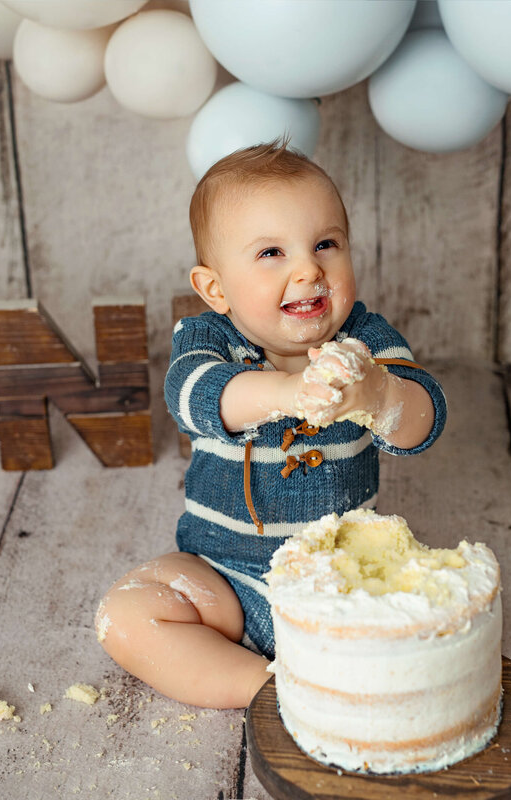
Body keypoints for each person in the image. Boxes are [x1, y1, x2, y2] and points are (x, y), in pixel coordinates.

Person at [94, 141, 447, 709]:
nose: (309, 269)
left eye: (325, 244)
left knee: (435, 628)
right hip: (224, 578)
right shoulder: (209, 339)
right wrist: (287, 392)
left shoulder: (365, 342)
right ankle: (268, 690)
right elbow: (193, 397)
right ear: (216, 288)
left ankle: (343, 678)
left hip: (340, 583)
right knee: (128, 614)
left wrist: (378, 394)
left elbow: (423, 421)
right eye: (271, 253)